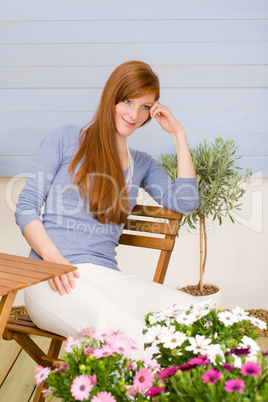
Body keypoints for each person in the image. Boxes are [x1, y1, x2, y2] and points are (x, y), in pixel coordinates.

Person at [15, 60, 199, 354]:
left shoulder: (142, 164)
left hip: (105, 278)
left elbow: (186, 202)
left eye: (144, 107)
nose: (134, 114)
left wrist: (179, 134)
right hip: (48, 276)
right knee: (130, 337)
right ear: (111, 96)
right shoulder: (65, 138)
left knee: (194, 315)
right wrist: (53, 260)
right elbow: (25, 208)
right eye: (127, 101)